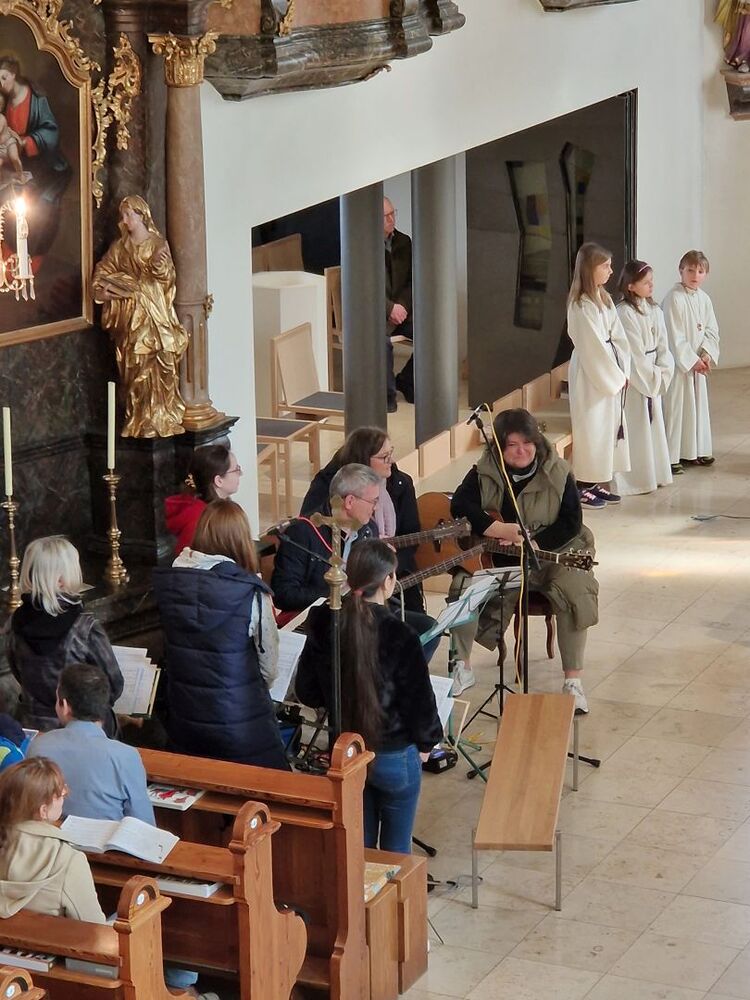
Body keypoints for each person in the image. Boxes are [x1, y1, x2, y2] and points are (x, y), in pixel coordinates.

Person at [449, 409, 598, 713]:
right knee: (463, 586)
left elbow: (571, 521)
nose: (522, 451)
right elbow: (460, 505)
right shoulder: (484, 470)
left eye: (527, 443)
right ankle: (461, 667)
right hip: (500, 558)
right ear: (499, 448)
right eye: (512, 445)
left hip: (551, 553)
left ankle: (573, 681)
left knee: (575, 590)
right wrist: (497, 529)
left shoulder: (559, 471)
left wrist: (535, 543)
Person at [296, 541, 442, 853]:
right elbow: (420, 703)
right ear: (388, 580)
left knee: (357, 849)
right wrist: (427, 744)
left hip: (346, 751)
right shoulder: (401, 634)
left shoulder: (324, 622)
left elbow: (307, 692)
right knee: (396, 851)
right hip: (394, 754)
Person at [154, 500, 287, 769]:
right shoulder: (249, 592)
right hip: (241, 724)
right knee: (276, 786)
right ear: (240, 540)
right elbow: (269, 669)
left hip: (186, 720)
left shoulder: (171, 585)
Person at [273, 463, 440, 660]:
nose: (376, 507)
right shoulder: (303, 532)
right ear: (350, 501)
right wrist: (336, 591)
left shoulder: (368, 529)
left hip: (362, 613)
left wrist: (383, 566)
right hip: (324, 618)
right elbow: (283, 594)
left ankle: (393, 676)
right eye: (373, 501)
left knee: (428, 629)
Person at [5, 536, 123, 736]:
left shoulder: (15, 621)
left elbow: (17, 671)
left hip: (33, 725)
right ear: (62, 579)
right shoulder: (84, 628)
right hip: (82, 727)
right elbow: (113, 683)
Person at [300, 426, 426, 613]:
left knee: (420, 620)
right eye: (384, 457)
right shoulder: (330, 484)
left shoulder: (401, 483)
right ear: (364, 459)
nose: (391, 461)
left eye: (390, 453)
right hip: (344, 580)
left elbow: (411, 533)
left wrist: (386, 566)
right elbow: (313, 529)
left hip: (391, 570)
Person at [93, 196, 189, 438]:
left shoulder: (157, 243)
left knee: (163, 362)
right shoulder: (120, 248)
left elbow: (167, 278)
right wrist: (103, 291)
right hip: (132, 318)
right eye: (123, 216)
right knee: (136, 364)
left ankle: (162, 414)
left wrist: (159, 268)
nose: (125, 220)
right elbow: (102, 271)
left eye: (129, 215)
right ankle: (140, 417)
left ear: (142, 215)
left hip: (155, 314)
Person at [28, 663, 155, 824]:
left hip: (50, 837)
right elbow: (144, 825)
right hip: (107, 840)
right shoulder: (126, 756)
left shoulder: (39, 746)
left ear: (64, 705)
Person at [0, 756, 105, 922]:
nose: (64, 798)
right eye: (61, 794)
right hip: (45, 939)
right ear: (43, 810)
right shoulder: (68, 859)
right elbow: (94, 926)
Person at [567, 242, 631, 509]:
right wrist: (614, 378)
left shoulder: (603, 298)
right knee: (591, 427)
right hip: (591, 374)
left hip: (609, 369)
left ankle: (594, 482)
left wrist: (623, 370)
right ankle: (582, 485)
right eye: (605, 266)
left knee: (605, 428)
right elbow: (592, 347)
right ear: (589, 269)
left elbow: (618, 336)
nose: (610, 271)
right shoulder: (581, 305)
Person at [614, 260, 675, 496]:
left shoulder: (655, 310)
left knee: (654, 427)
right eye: (646, 282)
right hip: (638, 380)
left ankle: (656, 473)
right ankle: (637, 480)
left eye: (652, 281)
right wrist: (651, 379)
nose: (652, 285)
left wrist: (663, 371)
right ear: (630, 286)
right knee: (638, 428)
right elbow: (634, 354)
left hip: (654, 373)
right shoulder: (624, 313)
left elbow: (664, 347)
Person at [0, 56, 71, 255]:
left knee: (39, 209)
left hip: (45, 166)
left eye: (4, 78)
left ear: (14, 74)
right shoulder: (4, 102)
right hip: (16, 167)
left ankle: (28, 256)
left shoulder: (37, 100)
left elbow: (51, 131)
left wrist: (26, 142)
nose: (1, 84)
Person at [662, 250, 720, 473]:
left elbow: (711, 330)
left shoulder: (704, 299)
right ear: (681, 271)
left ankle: (696, 450)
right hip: (680, 366)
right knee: (678, 408)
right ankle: (673, 455)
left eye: (700, 271)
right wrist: (691, 360)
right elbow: (674, 335)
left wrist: (706, 354)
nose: (695, 275)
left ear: (706, 274)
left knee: (697, 407)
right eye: (690, 270)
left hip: (698, 364)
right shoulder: (674, 298)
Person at [165, 444, 243, 554]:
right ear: (219, 481)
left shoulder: (204, 510)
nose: (241, 474)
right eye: (236, 470)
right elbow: (188, 561)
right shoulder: (201, 521)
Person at [384, 197, 414, 409]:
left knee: (432, 331)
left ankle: (408, 381)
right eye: (386, 216)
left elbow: (413, 280)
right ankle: (386, 396)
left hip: (401, 310)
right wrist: (389, 308)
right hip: (374, 313)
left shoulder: (404, 242)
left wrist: (402, 305)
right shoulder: (362, 246)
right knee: (381, 343)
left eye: (393, 213)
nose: (391, 219)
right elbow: (362, 288)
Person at [716, 0, 750, 71]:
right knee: (740, 36)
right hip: (743, 12)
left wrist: (746, 12)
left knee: (746, 37)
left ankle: (744, 60)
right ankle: (740, 59)